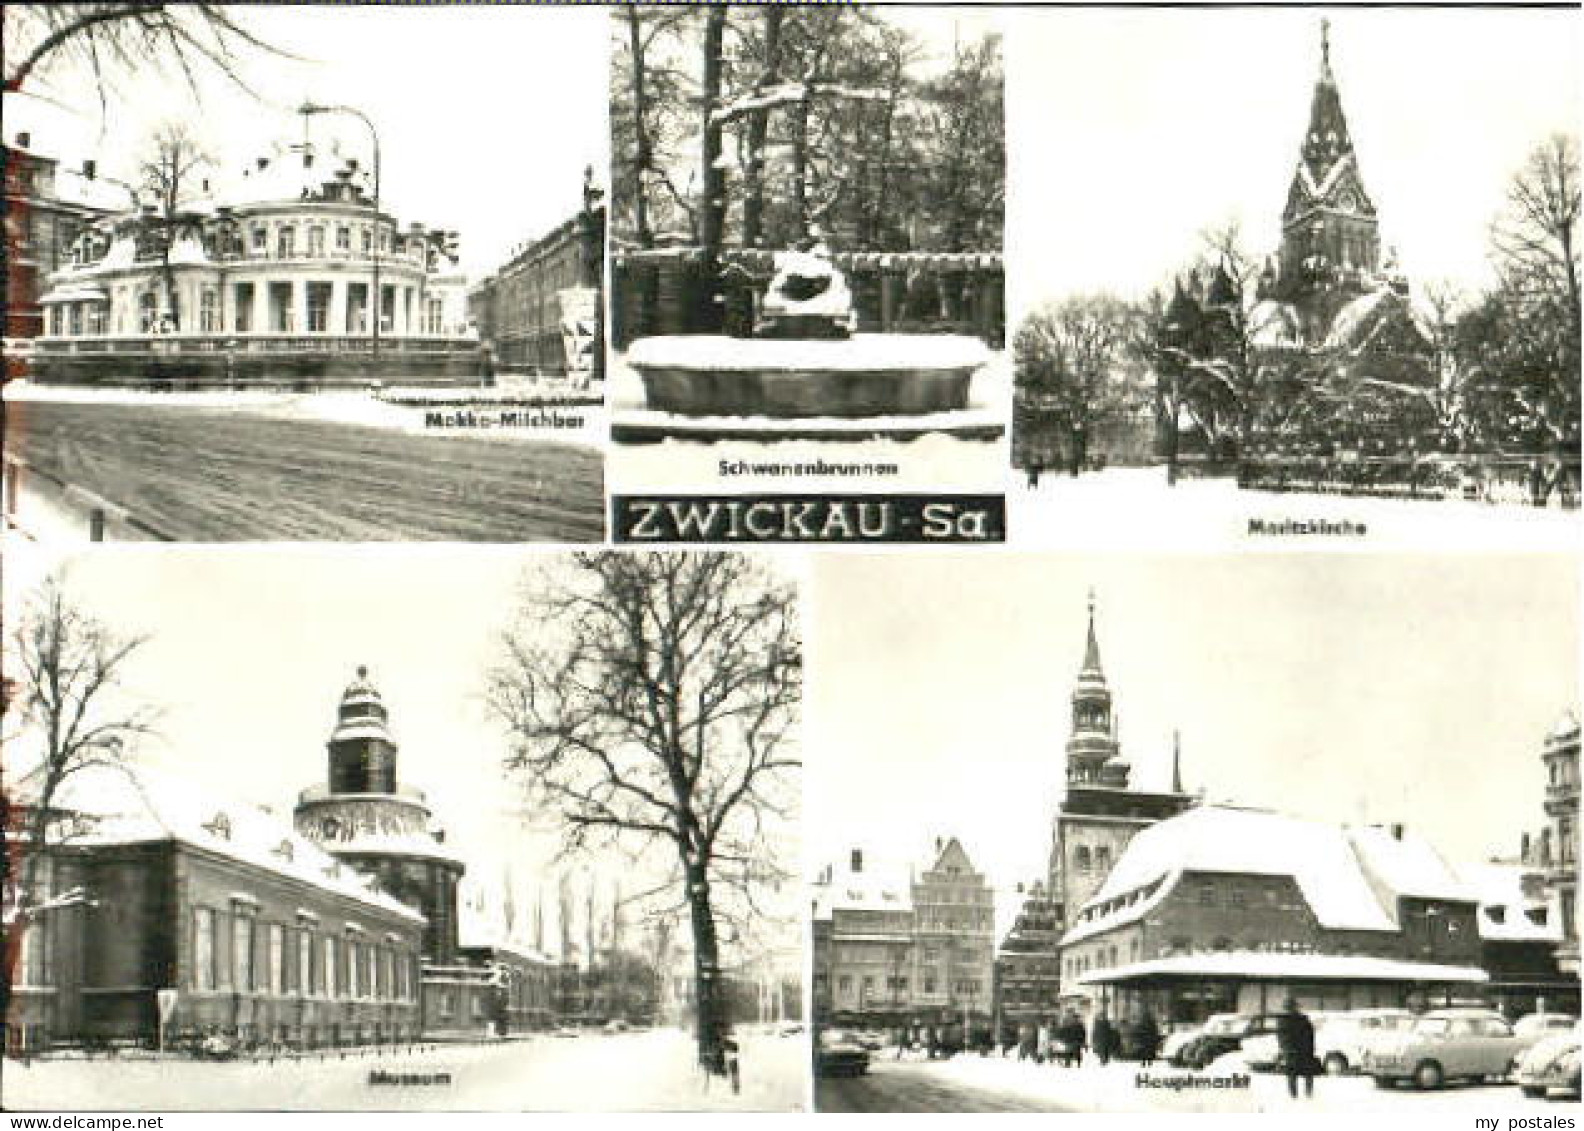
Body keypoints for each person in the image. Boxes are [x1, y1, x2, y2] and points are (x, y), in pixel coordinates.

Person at [1276, 997, 1317, 1100]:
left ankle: (1301, 1096)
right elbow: (1282, 1038)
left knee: (1297, 1076)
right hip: (1300, 1051)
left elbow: (1282, 1038)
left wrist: (1285, 1049)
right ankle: (1300, 1096)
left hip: (1297, 1052)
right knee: (1301, 1075)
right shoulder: (1299, 1019)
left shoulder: (1284, 1021)